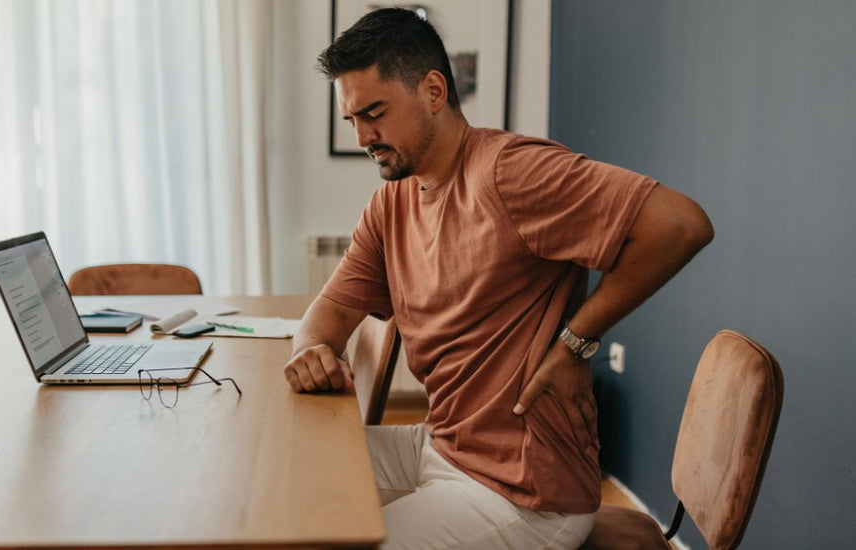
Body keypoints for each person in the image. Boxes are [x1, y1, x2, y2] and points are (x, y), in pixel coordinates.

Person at [282, 8, 714, 550]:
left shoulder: (510, 172)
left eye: (375, 113)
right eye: (352, 120)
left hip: (523, 490)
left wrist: (574, 344)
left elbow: (681, 225)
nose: (365, 136)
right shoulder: (391, 202)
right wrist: (312, 350)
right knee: (286, 473)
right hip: (442, 446)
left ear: (433, 91)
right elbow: (325, 316)